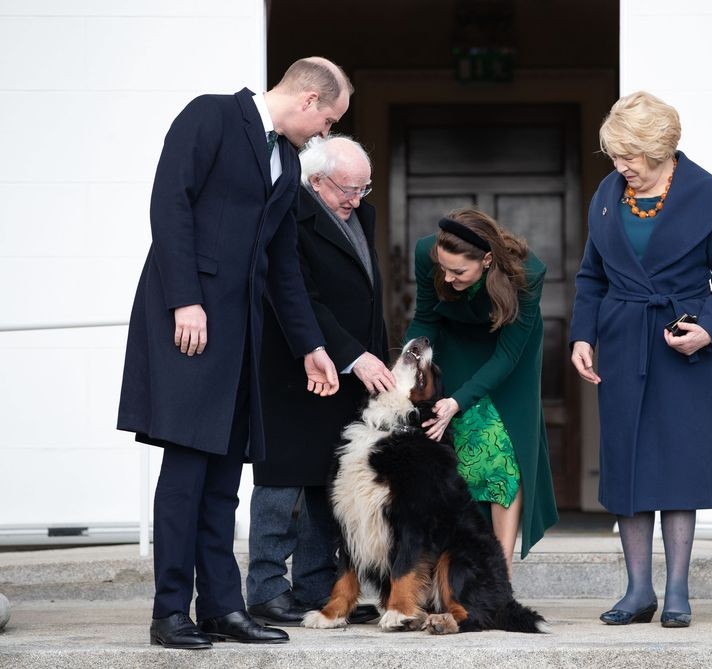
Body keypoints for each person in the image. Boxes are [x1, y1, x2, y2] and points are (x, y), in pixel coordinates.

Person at [117, 57, 351, 650]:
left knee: (224, 478)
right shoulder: (211, 116)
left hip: (241, 334)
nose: (324, 132)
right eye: (327, 119)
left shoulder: (289, 159)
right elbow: (169, 205)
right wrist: (185, 301)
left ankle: (222, 607)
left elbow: (283, 266)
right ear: (306, 100)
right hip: (189, 322)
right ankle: (170, 612)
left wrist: (311, 347)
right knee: (187, 469)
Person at [569, 91, 712, 628]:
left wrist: (707, 330)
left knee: (677, 464)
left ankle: (677, 592)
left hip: (681, 347)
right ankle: (637, 590)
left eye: (630, 156)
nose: (621, 167)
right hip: (623, 344)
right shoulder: (607, 194)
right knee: (627, 466)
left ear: (660, 149)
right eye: (616, 156)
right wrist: (583, 335)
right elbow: (591, 276)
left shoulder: (708, 197)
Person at [246, 135, 392, 627]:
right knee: (281, 481)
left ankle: (315, 586)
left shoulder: (359, 217)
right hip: (295, 367)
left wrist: (370, 357)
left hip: (347, 371)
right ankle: (266, 591)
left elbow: (367, 298)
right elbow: (302, 298)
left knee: (327, 483)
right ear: (315, 181)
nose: (356, 199)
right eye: (347, 189)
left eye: (363, 189)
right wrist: (354, 355)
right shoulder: (290, 215)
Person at [404, 208, 558, 575]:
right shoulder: (429, 253)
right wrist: (411, 365)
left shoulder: (527, 274)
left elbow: (508, 354)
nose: (447, 276)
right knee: (463, 448)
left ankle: (497, 575)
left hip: (509, 354)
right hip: (456, 344)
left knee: (503, 451)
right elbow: (426, 317)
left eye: (459, 272)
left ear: (487, 260)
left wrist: (458, 401)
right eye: (443, 268)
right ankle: (453, 566)